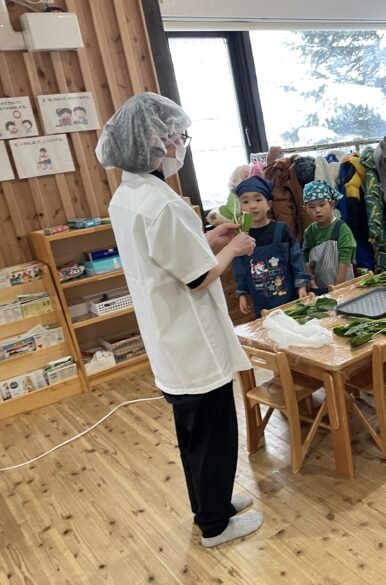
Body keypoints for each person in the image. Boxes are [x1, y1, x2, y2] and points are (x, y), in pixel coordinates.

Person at [95, 92, 262, 548]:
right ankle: (215, 525)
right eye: (179, 136)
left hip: (169, 339)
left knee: (195, 437)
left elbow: (167, 257)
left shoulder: (130, 195)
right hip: (192, 342)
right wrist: (232, 248)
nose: (181, 145)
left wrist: (208, 235)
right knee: (214, 435)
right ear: (157, 140)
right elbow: (197, 278)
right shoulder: (162, 203)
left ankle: (212, 506)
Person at [231, 175, 309, 318]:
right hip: (261, 304)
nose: (252, 205)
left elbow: (296, 258)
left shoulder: (282, 230)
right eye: (246, 201)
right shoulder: (241, 237)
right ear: (239, 207)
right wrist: (242, 293)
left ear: (269, 204)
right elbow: (239, 268)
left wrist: (301, 285)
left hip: (289, 300)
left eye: (258, 199)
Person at [301, 180, 356, 294]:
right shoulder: (309, 232)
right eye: (311, 206)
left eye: (322, 205)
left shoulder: (341, 229)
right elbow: (307, 260)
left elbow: (344, 260)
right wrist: (312, 284)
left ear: (332, 205)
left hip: (343, 285)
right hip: (320, 287)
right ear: (305, 209)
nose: (317, 210)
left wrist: (337, 287)